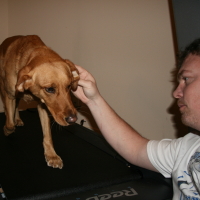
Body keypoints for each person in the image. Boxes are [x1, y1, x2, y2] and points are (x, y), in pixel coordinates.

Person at [72, 38, 200, 200]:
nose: (176, 93)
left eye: (186, 79)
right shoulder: (188, 147)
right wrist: (92, 99)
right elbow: (136, 149)